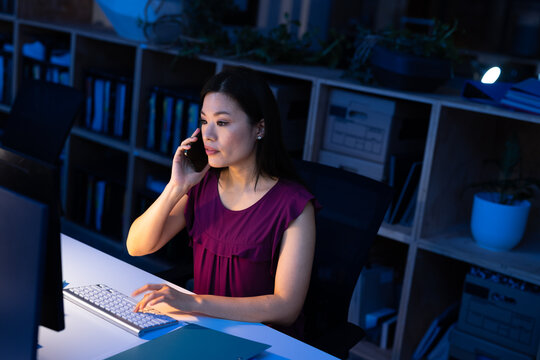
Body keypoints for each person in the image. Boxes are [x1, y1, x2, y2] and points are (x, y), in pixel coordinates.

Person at [126, 67, 317, 337]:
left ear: (259, 128)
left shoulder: (293, 206)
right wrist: (176, 187)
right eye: (205, 121)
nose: (208, 134)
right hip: (203, 327)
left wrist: (193, 302)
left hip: (260, 339)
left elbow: (286, 308)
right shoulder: (202, 183)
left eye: (223, 122)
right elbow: (137, 246)